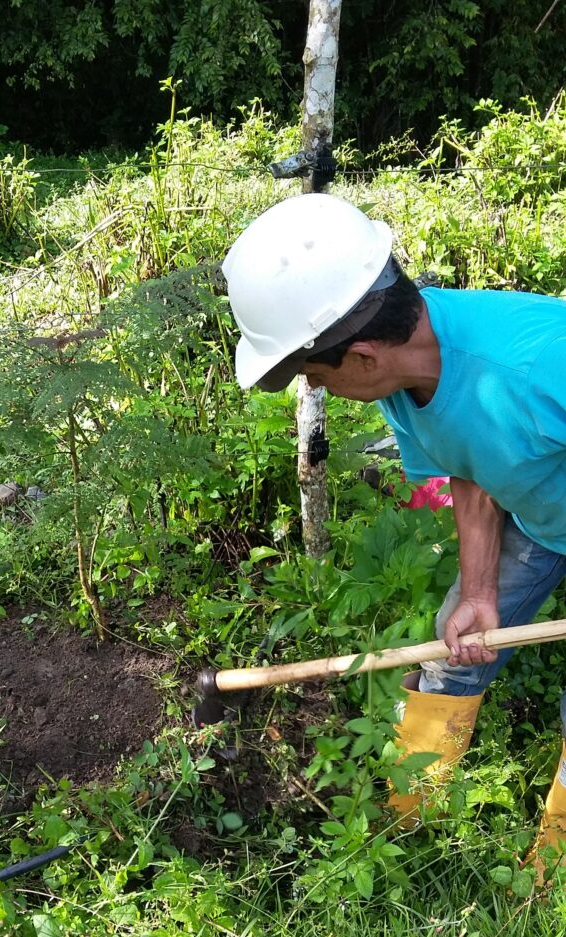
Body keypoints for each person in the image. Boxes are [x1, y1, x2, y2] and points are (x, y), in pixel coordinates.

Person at [222, 193, 566, 866]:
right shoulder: (406, 385)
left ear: (364, 357)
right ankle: (407, 826)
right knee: (453, 647)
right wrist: (478, 589)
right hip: (544, 519)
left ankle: (551, 879)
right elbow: (473, 468)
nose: (319, 391)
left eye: (317, 377)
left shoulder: (538, 362)